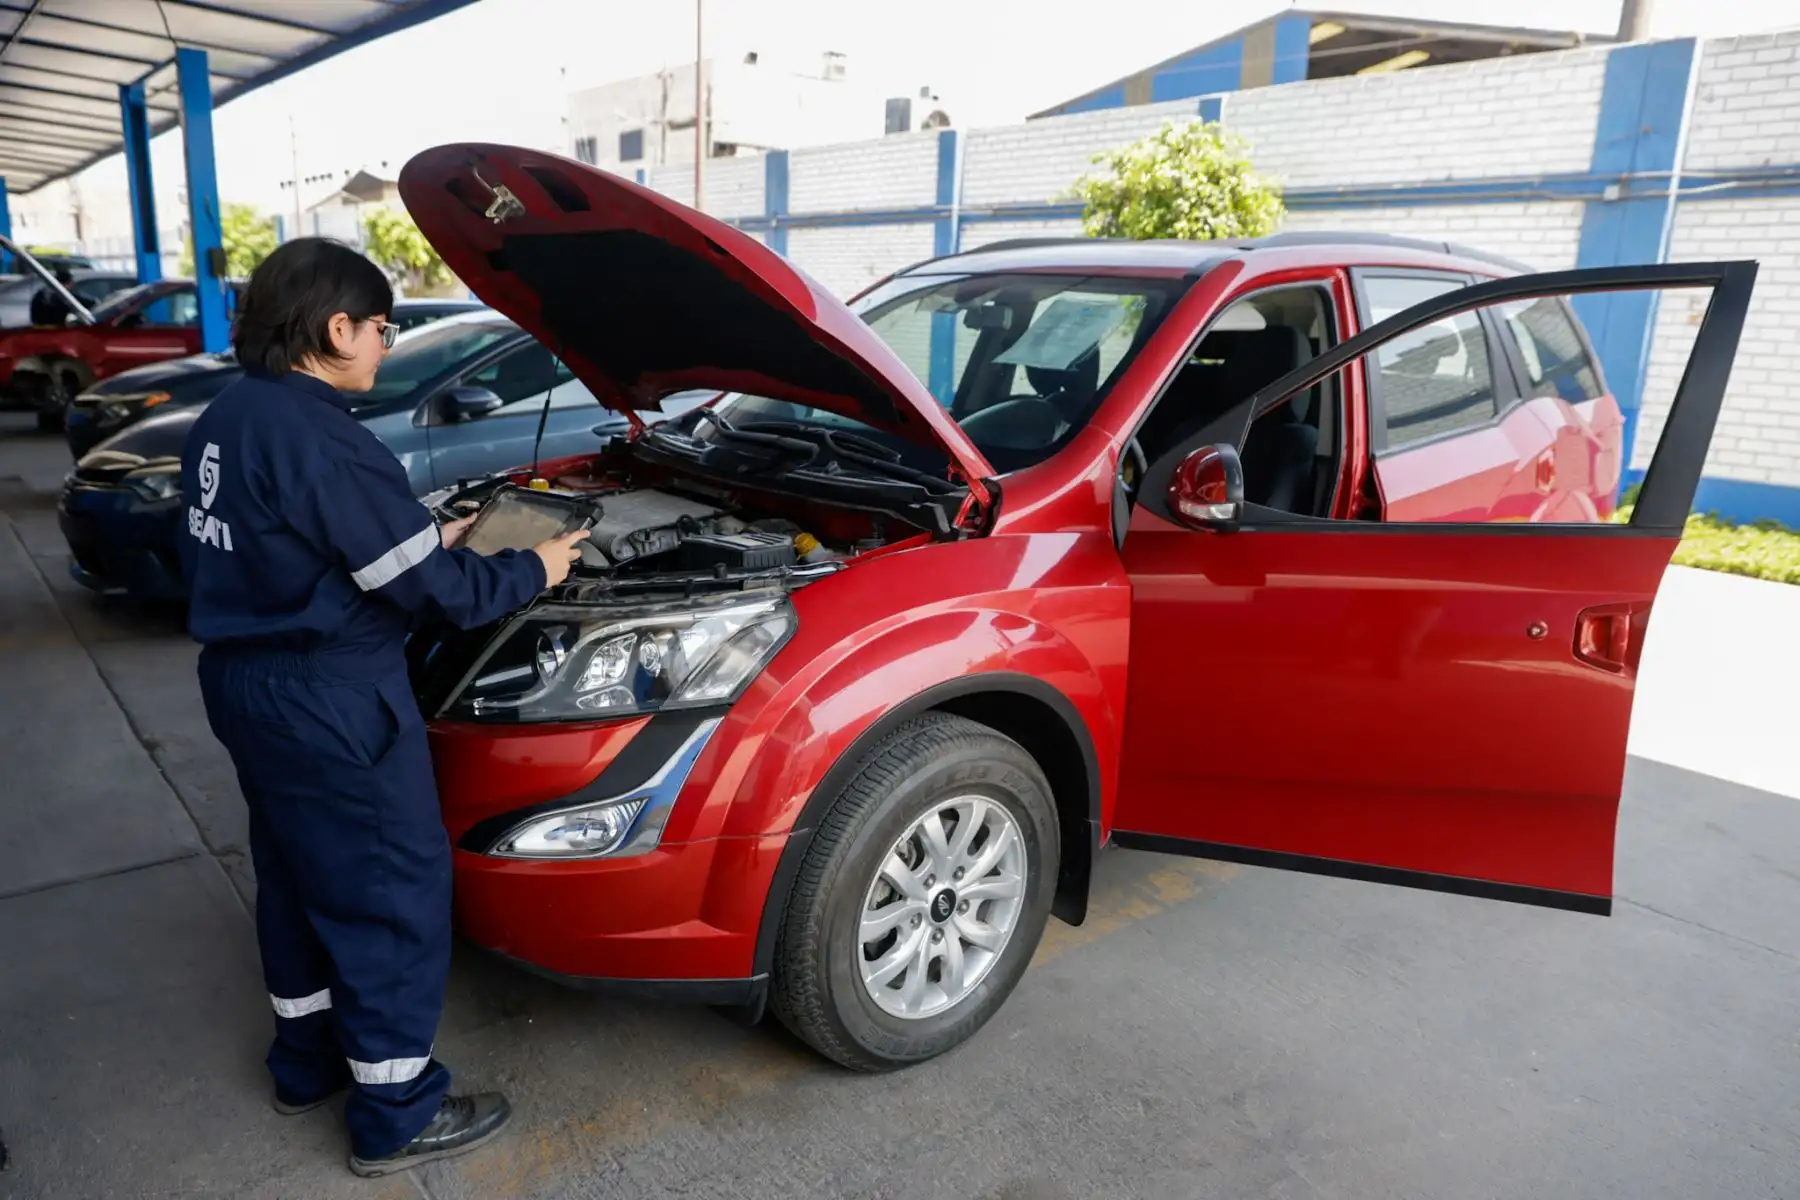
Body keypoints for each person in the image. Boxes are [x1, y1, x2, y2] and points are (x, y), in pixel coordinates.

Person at [178, 238, 589, 1178]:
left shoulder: (231, 415)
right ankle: (397, 1110)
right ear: (336, 329)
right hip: (330, 697)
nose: (382, 344)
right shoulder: (328, 439)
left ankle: (306, 1065)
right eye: (380, 328)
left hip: (245, 686)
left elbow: (297, 541)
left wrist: (425, 531)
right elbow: (438, 594)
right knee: (388, 892)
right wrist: (535, 566)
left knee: (299, 877)